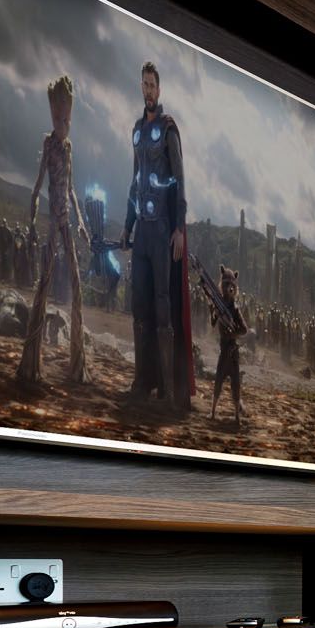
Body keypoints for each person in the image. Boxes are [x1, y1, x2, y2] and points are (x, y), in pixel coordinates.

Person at [123, 60, 190, 412]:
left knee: (163, 308)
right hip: (143, 231)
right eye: (144, 84)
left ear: (159, 89)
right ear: (141, 87)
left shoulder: (168, 129)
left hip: (163, 228)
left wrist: (179, 228)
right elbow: (135, 181)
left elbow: (179, 179)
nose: (148, 89)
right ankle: (141, 382)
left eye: (152, 84)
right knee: (140, 307)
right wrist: (127, 225)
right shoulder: (137, 130)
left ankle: (167, 389)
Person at [15, 75, 90, 388]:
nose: (64, 126)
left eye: (67, 121)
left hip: (66, 221)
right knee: (44, 284)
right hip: (52, 223)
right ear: (53, 119)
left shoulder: (69, 149)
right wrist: (32, 219)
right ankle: (30, 359)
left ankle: (78, 364)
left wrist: (81, 223)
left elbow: (71, 189)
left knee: (76, 284)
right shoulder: (49, 145)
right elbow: (37, 186)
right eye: (60, 120)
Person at [208, 264, 248, 429]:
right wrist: (213, 312)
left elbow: (244, 330)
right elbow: (213, 323)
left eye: (232, 285)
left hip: (232, 351)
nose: (230, 288)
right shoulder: (218, 305)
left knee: (235, 385)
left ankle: (237, 416)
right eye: (227, 285)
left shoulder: (235, 309)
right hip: (224, 350)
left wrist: (233, 332)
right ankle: (212, 412)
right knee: (218, 381)